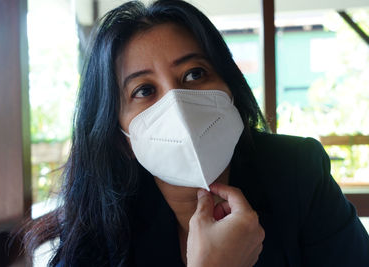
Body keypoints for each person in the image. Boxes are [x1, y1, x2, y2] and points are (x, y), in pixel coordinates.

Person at [23, 0, 369, 266]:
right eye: (144, 90)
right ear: (119, 135)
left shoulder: (297, 171)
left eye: (194, 74)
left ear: (229, 87)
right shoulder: (98, 229)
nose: (178, 104)